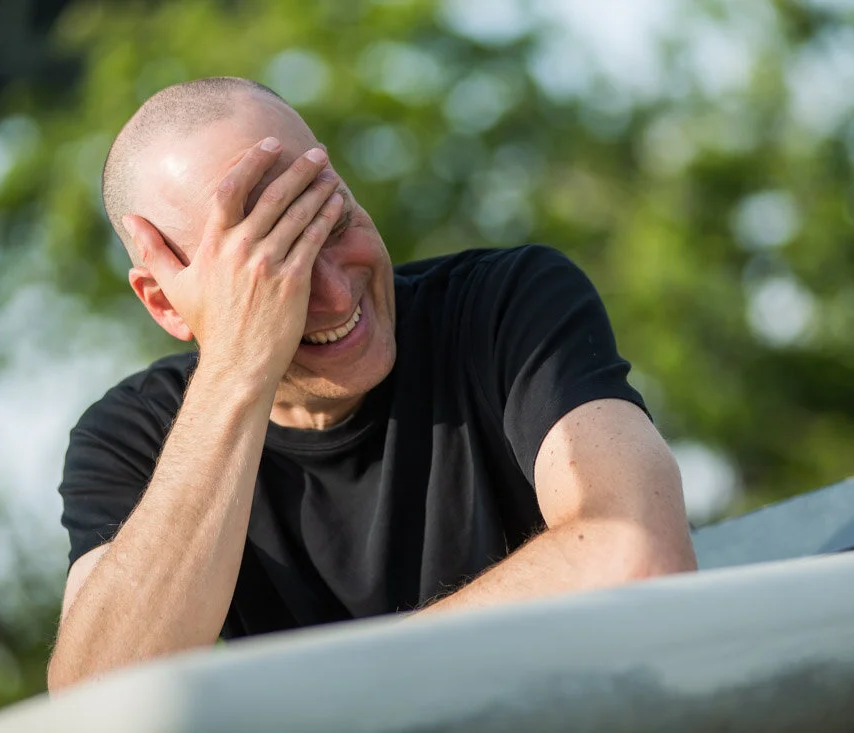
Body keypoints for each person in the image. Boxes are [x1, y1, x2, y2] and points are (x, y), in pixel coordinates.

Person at [47, 77, 697, 691]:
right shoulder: (132, 437)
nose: (334, 292)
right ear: (165, 303)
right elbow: (96, 708)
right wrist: (238, 368)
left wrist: (327, 699)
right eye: (274, 269)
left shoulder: (506, 306)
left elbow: (636, 554)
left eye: (331, 224)